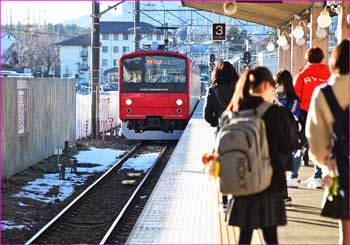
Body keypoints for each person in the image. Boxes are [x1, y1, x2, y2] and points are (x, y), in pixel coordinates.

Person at [227, 67, 298, 244]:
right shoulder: (276, 113)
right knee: (270, 237)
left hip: (241, 181)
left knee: (244, 236)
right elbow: (290, 145)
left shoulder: (233, 113)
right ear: (266, 85)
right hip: (270, 182)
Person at [306, 39, 349, 244]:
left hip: (342, 167)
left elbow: (315, 141)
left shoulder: (323, 93)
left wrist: (326, 164)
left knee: (346, 234)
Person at [203, 61, 239, 213]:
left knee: (222, 167)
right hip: (240, 131)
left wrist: (215, 123)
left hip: (222, 133)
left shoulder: (213, 90)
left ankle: (224, 203)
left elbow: (206, 115)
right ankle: (238, 198)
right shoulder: (240, 89)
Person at [294, 47, 331, 189]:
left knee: (303, 141)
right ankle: (318, 175)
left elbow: (297, 92)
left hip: (306, 110)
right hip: (325, 110)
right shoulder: (328, 71)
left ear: (307, 58)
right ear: (322, 58)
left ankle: (294, 175)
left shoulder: (303, 72)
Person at [276, 70, 302, 189]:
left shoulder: (277, 96)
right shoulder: (295, 98)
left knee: (283, 153)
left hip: (281, 126)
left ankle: (287, 177)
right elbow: (296, 113)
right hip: (292, 126)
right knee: (295, 151)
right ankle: (293, 176)